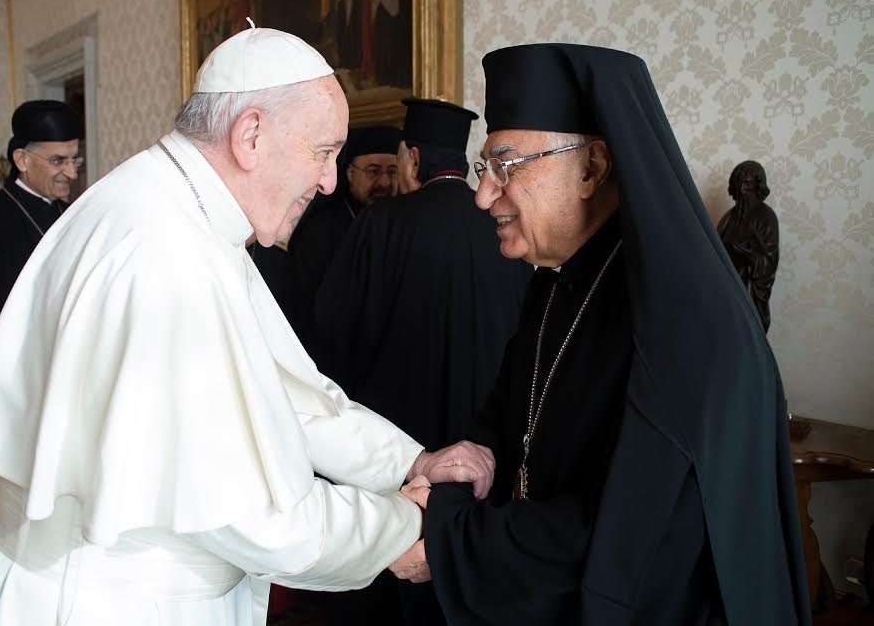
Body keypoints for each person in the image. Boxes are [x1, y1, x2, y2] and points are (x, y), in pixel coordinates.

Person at [0, 26, 495, 626]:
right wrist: (404, 523)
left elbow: (283, 392)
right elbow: (257, 517)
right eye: (323, 151)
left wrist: (409, 464)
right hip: (92, 598)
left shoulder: (183, 211)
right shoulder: (167, 251)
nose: (330, 181)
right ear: (250, 135)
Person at [395, 44, 810, 625]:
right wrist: (455, 482)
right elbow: (504, 423)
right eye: (484, 168)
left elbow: (630, 537)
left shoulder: (684, 319)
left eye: (506, 166)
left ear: (591, 167)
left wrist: (448, 536)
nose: (483, 195)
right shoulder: (555, 278)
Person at [315, 97, 533, 625]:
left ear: (412, 159)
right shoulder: (509, 229)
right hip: (484, 458)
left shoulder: (381, 224)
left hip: (395, 459)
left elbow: (331, 339)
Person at [0, 100, 81, 381]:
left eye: (75, 160)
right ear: (22, 160)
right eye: (58, 160)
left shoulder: (76, 216)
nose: (72, 173)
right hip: (17, 381)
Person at [284, 124, 401, 357]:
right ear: (350, 174)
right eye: (373, 171)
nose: (384, 182)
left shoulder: (402, 226)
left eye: (392, 172)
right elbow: (305, 309)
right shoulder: (320, 232)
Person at [717, 160, 779, 332]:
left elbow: (769, 260)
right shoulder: (728, 217)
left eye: (748, 184)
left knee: (748, 331)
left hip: (748, 291)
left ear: (758, 186)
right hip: (726, 290)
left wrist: (747, 252)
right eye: (739, 184)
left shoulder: (766, 217)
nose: (743, 189)